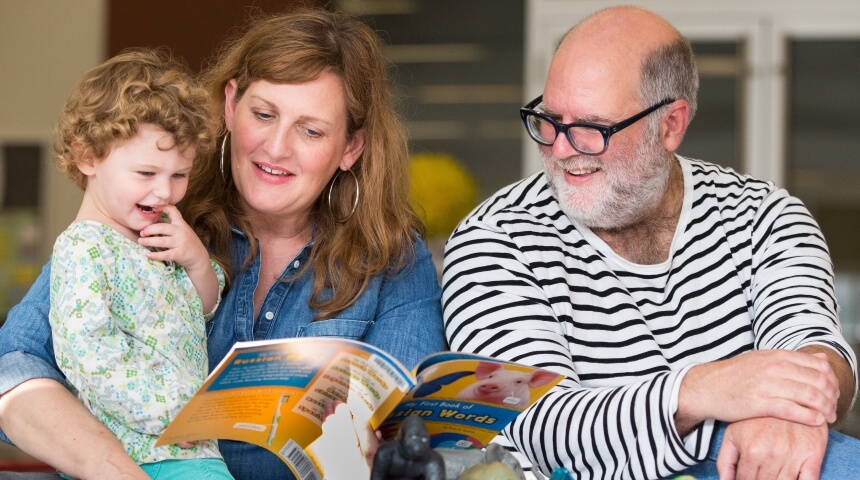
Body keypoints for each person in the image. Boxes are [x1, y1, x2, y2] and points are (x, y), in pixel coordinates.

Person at [0, 8, 446, 480]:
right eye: (263, 114)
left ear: (350, 148)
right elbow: (14, 363)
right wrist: (112, 467)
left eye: (311, 131)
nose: (276, 148)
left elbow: (407, 422)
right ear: (231, 104)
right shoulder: (152, 215)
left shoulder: (391, 256)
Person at [442, 5, 859, 480]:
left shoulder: (766, 215)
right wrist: (709, 392)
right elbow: (537, 425)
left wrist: (784, 415)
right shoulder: (494, 239)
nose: (560, 149)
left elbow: (817, 352)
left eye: (592, 128)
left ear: (670, 124)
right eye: (549, 119)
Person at [46, 49, 232, 479]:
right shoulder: (83, 249)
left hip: (189, 449)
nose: (165, 192)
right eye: (146, 174)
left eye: (179, 175)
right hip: (140, 454)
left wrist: (196, 261)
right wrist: (167, 415)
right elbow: (87, 354)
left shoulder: (162, 231)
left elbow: (203, 308)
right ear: (87, 156)